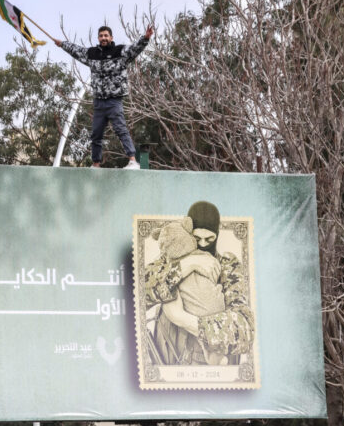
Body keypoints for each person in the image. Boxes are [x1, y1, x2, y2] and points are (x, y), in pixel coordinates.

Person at [143, 201, 253, 365]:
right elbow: (139, 292)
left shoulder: (228, 265)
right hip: (166, 361)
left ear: (217, 235)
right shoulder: (170, 258)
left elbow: (244, 329)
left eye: (209, 238)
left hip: (208, 372)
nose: (202, 244)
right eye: (196, 238)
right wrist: (186, 265)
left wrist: (182, 319)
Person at [53, 25, 153, 169]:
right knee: (96, 134)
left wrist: (145, 38)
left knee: (121, 129)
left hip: (114, 100)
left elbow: (134, 49)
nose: (103, 38)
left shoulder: (120, 51)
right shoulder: (92, 54)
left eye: (106, 36)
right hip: (99, 101)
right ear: (98, 38)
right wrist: (62, 44)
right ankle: (96, 164)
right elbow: (77, 51)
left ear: (111, 38)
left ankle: (132, 160)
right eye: (101, 36)